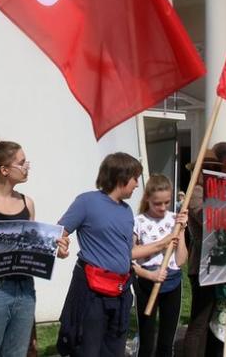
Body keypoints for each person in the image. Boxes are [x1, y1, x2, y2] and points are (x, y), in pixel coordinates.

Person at [56, 152, 173, 357]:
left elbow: (128, 253)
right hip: (92, 293)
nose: (137, 184)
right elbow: (58, 234)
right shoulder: (86, 202)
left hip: (120, 293)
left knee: (114, 351)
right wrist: (61, 246)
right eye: (135, 178)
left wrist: (164, 242)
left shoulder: (127, 211)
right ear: (122, 177)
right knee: (87, 350)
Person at [0, 138, 68, 357]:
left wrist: (55, 248)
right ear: (4, 170)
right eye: (22, 162)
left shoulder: (27, 203)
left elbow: (29, 247)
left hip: (25, 288)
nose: (27, 167)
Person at [185, 143, 226, 357]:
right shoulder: (197, 191)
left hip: (223, 264)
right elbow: (205, 218)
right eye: (211, 167)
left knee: (219, 318)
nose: (217, 170)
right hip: (203, 265)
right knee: (200, 320)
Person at [132, 174, 188, 357]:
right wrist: (149, 275)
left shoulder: (175, 220)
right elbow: (129, 259)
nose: (163, 208)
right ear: (147, 198)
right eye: (158, 203)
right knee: (146, 343)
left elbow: (180, 261)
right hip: (146, 283)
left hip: (172, 282)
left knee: (166, 343)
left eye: (167, 202)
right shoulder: (138, 222)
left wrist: (181, 232)